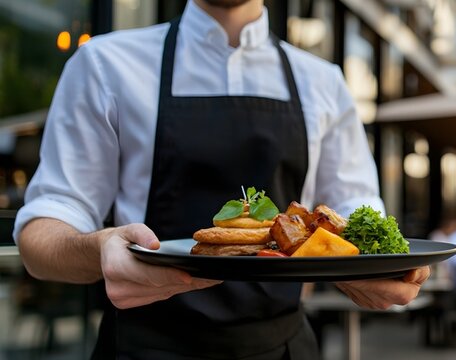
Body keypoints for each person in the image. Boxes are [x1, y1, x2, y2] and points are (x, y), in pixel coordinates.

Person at [13, 1, 429, 358]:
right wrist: (98, 249)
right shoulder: (104, 64)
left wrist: (386, 266)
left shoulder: (323, 81)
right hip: (146, 346)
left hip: (284, 347)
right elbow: (42, 234)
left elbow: (358, 212)